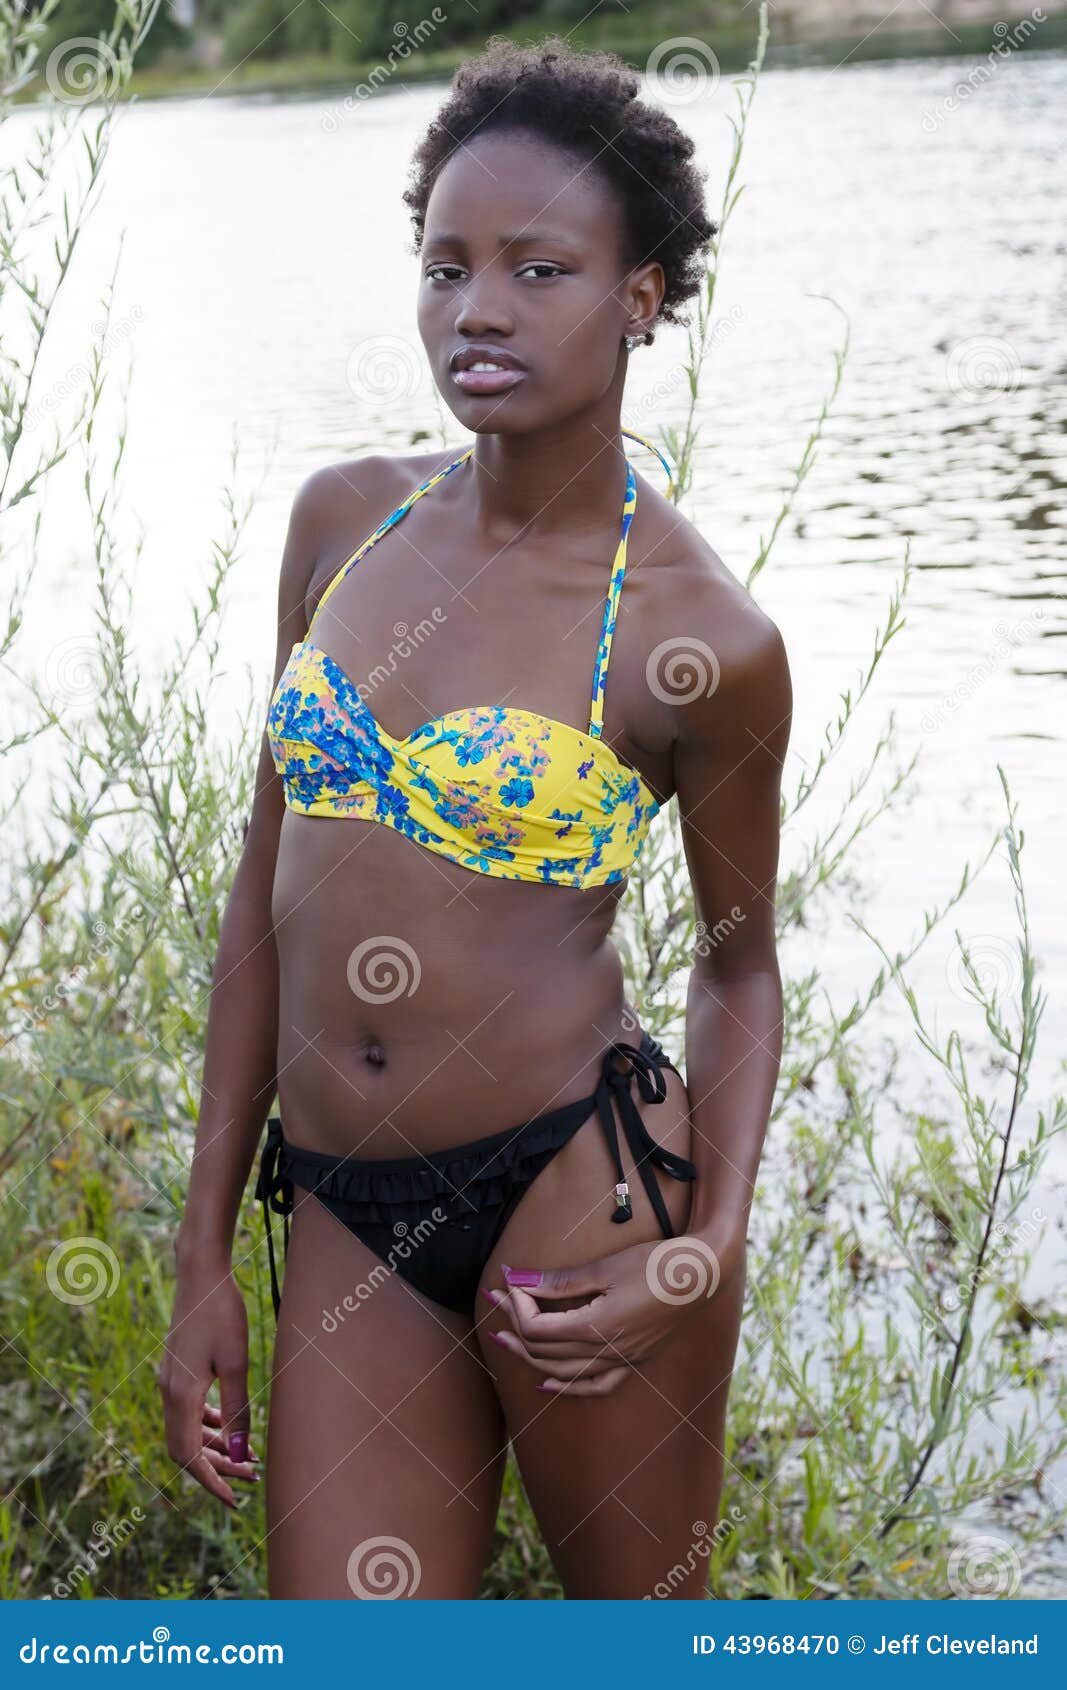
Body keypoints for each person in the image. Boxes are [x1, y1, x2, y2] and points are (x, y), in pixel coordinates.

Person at [159, 35, 791, 1600]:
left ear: (639, 296)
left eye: (538, 267)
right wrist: (197, 1258)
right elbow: (263, 898)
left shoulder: (694, 635)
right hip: (344, 1214)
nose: (479, 309)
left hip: (578, 1194)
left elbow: (738, 967)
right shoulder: (341, 526)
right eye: (445, 266)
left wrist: (699, 1250)